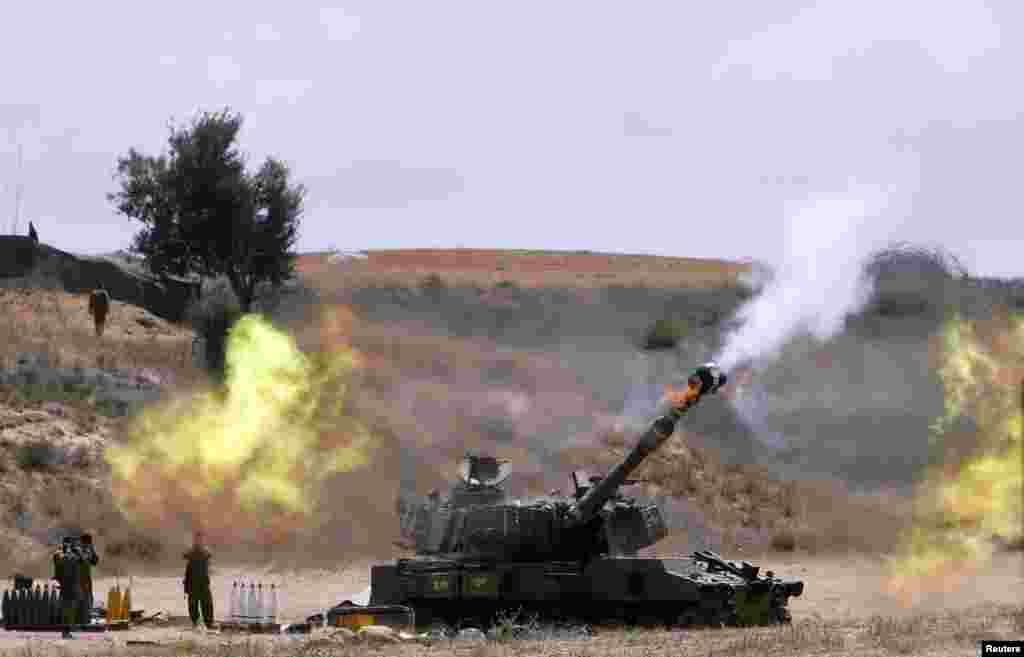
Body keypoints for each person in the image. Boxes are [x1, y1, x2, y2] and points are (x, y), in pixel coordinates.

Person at [52, 537, 82, 639]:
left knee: (68, 609)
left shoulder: (68, 555)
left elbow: (81, 560)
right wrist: (70, 551)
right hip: (67, 586)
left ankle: (66, 631)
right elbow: (62, 560)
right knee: (67, 610)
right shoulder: (63, 555)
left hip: (69, 585)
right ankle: (65, 632)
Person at [183, 531, 214, 628]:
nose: (199, 541)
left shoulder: (205, 552)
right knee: (193, 606)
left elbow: (208, 555)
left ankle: (208, 624)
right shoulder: (193, 551)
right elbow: (185, 555)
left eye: (200, 539)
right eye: (197, 539)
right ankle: (196, 623)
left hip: (203, 582)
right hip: (193, 582)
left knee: (207, 604)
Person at [78, 534, 99, 623]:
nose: (88, 544)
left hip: (86, 578)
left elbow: (95, 561)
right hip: (78, 578)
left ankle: (86, 617)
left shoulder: (88, 550)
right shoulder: (78, 550)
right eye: (87, 543)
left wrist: (92, 550)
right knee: (80, 598)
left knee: (88, 598)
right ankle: (81, 618)